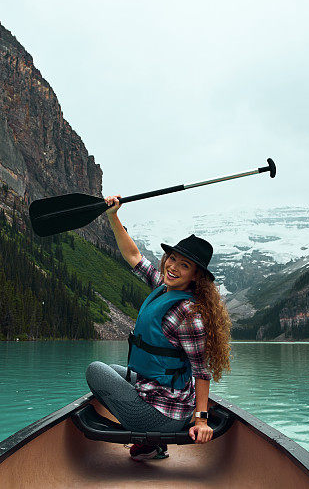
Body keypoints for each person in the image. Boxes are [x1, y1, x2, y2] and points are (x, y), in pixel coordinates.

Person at [85, 195, 232, 461]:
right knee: (117, 370)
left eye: (183, 265)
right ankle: (151, 446)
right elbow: (133, 256)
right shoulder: (165, 288)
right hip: (164, 399)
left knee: (95, 370)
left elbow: (201, 371)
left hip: (163, 416)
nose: (172, 267)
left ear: (196, 275)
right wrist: (113, 216)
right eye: (172, 259)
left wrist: (200, 420)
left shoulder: (188, 315)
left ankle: (150, 438)